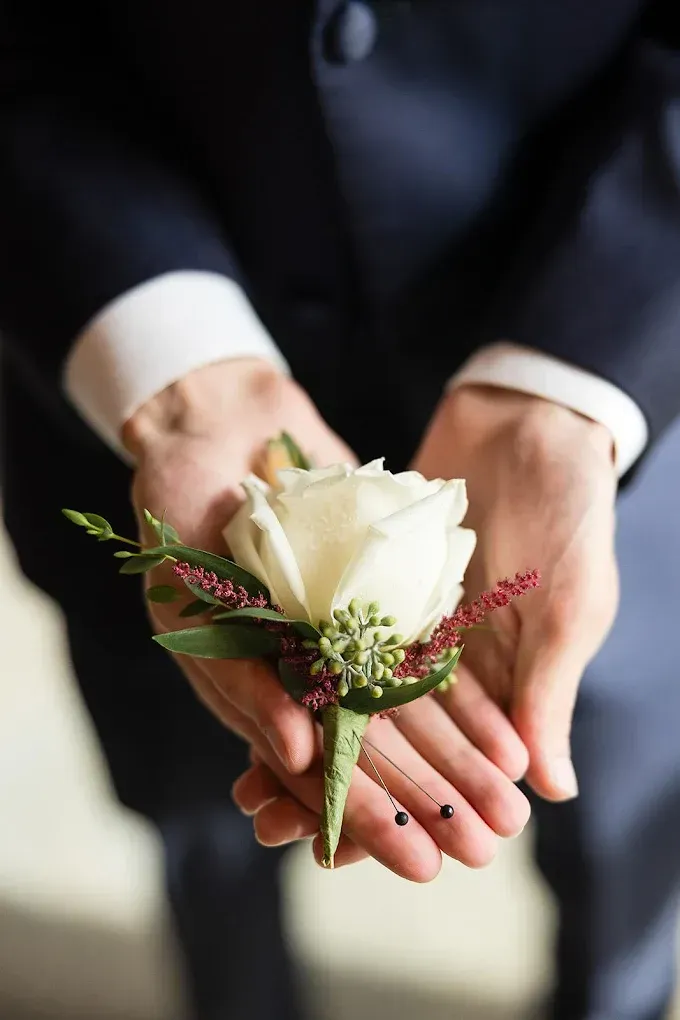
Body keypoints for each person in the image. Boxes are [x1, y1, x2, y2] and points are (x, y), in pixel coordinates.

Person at [1, 1, 679, 1018]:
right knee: (210, 829)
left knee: (621, 854)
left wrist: (562, 391)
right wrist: (185, 384)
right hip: (118, 358)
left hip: (608, 389)